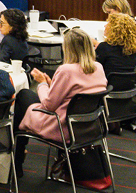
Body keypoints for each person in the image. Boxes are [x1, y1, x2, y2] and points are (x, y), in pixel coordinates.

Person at [14, 29, 107, 170]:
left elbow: (48, 106)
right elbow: (76, 93)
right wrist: (53, 84)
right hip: (89, 126)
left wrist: (42, 83)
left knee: (23, 96)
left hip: (62, 126)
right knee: (27, 97)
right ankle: (18, 160)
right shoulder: (98, 67)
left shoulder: (66, 70)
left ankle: (17, 160)